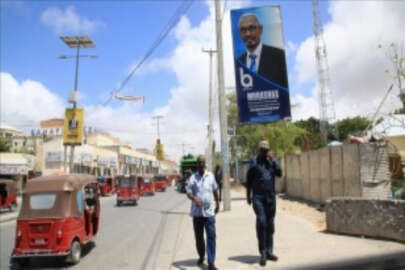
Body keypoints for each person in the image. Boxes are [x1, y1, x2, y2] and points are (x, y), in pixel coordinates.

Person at [246, 140, 282, 267]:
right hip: (258, 197)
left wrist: (274, 160)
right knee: (261, 222)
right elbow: (249, 179)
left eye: (266, 150)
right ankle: (263, 253)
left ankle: (269, 251)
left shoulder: (271, 162)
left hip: (271, 197)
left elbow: (279, 173)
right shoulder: (254, 161)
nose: (265, 152)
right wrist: (248, 195)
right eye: (263, 150)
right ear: (259, 150)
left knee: (270, 225)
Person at [186, 155, 220, 270]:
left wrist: (218, 203)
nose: (201, 164)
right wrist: (194, 199)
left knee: (211, 236)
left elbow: (215, 189)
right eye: (199, 162)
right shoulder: (192, 178)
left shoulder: (210, 176)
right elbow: (188, 192)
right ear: (197, 164)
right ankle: (201, 255)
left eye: (203, 162)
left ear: (205, 164)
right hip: (197, 214)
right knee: (199, 238)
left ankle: (211, 262)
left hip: (209, 212)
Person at [237, 13, 288, 88]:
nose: (248, 34)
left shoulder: (278, 56)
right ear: (240, 34)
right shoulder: (239, 63)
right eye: (243, 30)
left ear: (260, 30)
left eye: (252, 28)